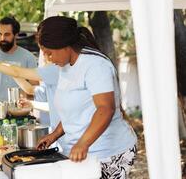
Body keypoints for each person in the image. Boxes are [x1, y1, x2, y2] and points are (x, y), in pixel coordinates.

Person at [34, 16, 137, 178]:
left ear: (64, 45)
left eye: (49, 53)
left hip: (108, 152)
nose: (48, 59)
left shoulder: (95, 65)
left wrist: (83, 143)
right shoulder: (65, 66)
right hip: (83, 152)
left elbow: (105, 109)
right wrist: (55, 134)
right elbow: (74, 111)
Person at [0, 16, 37, 115]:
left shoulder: (28, 57)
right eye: (0, 34)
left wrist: (26, 100)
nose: (2, 38)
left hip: (21, 113)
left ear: (16, 35)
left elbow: (35, 89)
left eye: (7, 34)